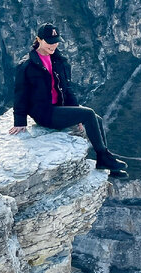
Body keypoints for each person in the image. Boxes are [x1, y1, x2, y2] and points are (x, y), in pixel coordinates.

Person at [8, 23, 128, 177]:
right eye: (50, 42)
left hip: (58, 108)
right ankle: (104, 157)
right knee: (88, 114)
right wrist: (19, 121)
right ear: (39, 40)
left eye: (56, 41)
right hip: (45, 113)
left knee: (96, 119)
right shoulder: (27, 65)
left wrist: (75, 112)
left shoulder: (58, 60)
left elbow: (67, 88)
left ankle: (105, 162)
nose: (54, 45)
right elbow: (20, 94)